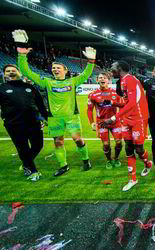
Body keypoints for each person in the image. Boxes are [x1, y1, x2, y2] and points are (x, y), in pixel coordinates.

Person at [13, 29, 94, 176]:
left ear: (65, 70)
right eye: (53, 68)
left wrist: (91, 62)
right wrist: (21, 54)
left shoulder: (73, 81)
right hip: (54, 118)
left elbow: (87, 74)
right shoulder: (47, 82)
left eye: (58, 67)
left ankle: (86, 159)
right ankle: (63, 166)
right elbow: (26, 71)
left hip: (71, 117)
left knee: (78, 139)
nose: (55, 69)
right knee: (58, 142)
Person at [101, 61, 152, 191]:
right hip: (126, 119)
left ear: (119, 68)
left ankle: (147, 163)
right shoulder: (123, 81)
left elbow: (133, 103)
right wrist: (114, 103)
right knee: (128, 148)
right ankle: (132, 179)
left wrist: (113, 118)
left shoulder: (130, 80)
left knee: (139, 149)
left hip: (138, 118)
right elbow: (127, 103)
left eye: (112, 67)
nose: (110, 69)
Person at [0, 64, 48, 181]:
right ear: (4, 74)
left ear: (19, 72)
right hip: (14, 124)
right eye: (8, 71)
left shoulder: (29, 87)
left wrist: (45, 117)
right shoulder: (2, 88)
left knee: (38, 145)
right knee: (23, 147)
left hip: (33, 122)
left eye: (13, 70)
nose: (11, 72)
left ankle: (26, 163)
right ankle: (33, 171)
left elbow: (40, 104)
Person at [87, 72, 125, 169]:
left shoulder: (115, 93)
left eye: (104, 78)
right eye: (100, 77)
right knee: (106, 144)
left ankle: (116, 158)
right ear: (97, 80)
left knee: (119, 142)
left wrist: (113, 102)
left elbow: (123, 105)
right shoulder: (93, 94)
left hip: (114, 122)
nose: (102, 79)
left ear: (108, 80)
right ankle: (109, 160)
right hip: (102, 122)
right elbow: (89, 110)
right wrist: (92, 123)